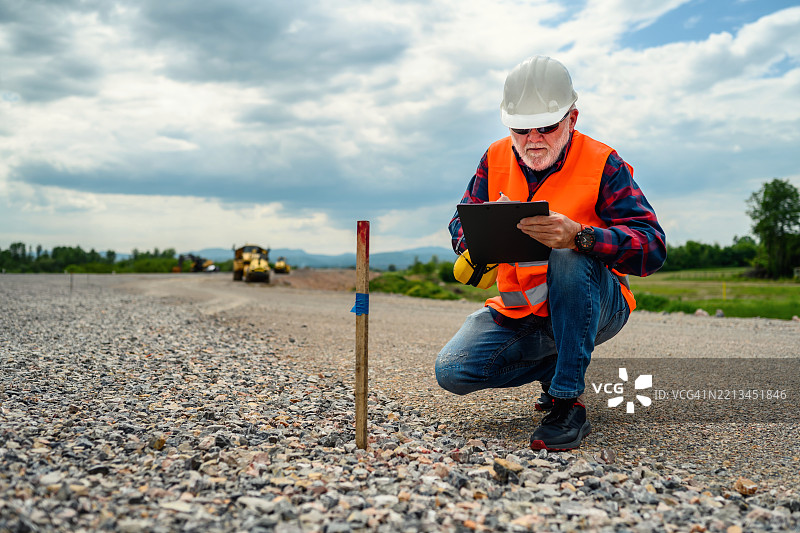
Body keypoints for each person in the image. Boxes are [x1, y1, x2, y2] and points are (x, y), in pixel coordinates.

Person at [435, 56, 666, 451]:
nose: (534, 138)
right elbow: (461, 221)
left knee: (569, 253)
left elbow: (651, 247)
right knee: (453, 371)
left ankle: (565, 402)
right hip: (520, 311)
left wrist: (581, 236)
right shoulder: (494, 158)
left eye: (547, 126)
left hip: (597, 304)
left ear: (572, 119)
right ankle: (561, 363)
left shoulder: (602, 164)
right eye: (522, 128)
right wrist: (477, 241)